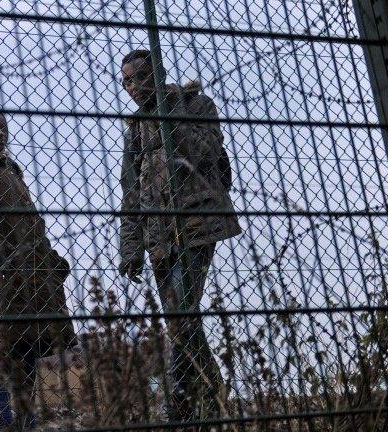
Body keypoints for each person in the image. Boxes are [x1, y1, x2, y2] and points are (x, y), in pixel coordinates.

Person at [117, 49, 241, 421]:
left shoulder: (196, 104)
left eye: (139, 77)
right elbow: (131, 192)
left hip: (196, 224)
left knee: (183, 311)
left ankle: (180, 401)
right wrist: (130, 248)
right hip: (159, 235)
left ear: (157, 74)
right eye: (126, 81)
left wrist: (171, 113)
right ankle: (211, 393)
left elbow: (206, 151)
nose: (133, 87)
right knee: (179, 318)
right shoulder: (135, 129)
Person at [0, 111, 76, 431]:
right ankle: (6, 425)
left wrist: (49, 260)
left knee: (27, 349)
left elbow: (30, 225)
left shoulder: (9, 170)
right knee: (1, 352)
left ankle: (25, 423)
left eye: (3, 128)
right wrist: (1, 263)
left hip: (27, 276)